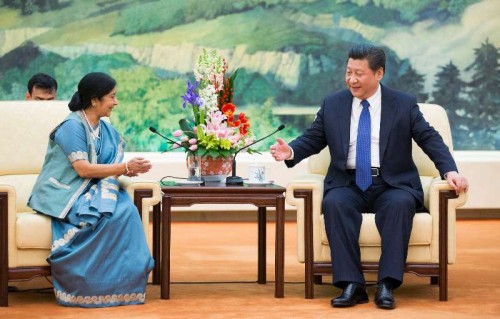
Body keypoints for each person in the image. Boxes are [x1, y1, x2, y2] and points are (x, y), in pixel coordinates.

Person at [270, 44, 468, 310]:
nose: (352, 79)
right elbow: (314, 138)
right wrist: (291, 150)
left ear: (379, 74)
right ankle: (352, 285)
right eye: (349, 72)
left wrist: (450, 170)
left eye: (359, 73)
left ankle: (387, 284)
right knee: (334, 204)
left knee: (399, 205)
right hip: (348, 182)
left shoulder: (403, 104)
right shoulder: (333, 104)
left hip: (392, 183)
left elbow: (429, 138)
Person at [28, 72, 154, 308]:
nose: (115, 102)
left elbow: (109, 167)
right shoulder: (71, 126)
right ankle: (85, 288)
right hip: (65, 192)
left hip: (94, 188)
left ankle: (123, 287)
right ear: (94, 100)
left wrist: (125, 170)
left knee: (126, 211)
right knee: (105, 214)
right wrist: (125, 167)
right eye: (112, 97)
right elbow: (84, 170)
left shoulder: (104, 129)